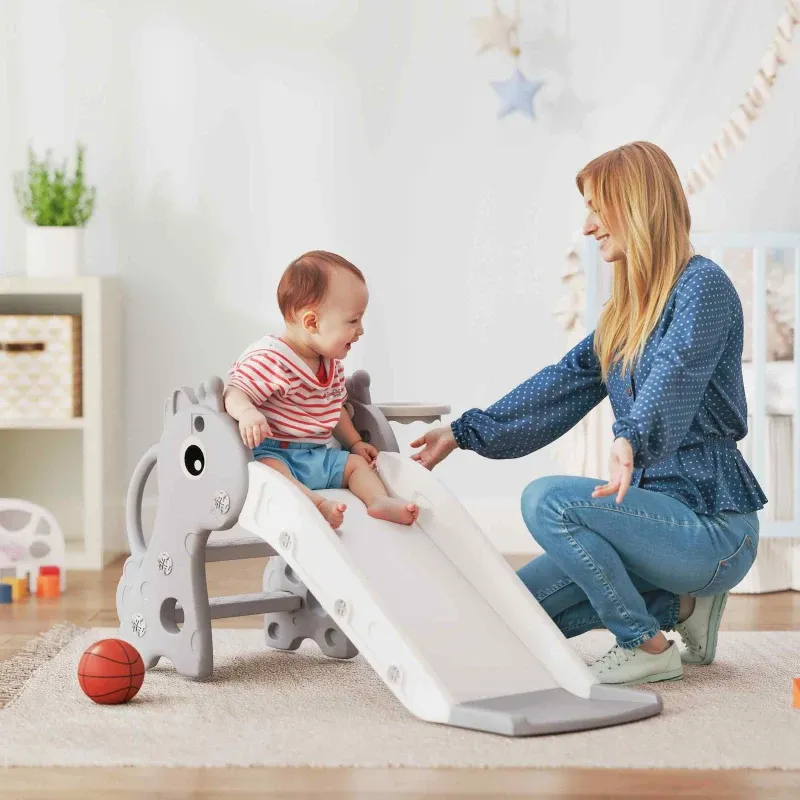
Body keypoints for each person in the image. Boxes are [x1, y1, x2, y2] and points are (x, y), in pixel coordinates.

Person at [410, 141, 767, 685]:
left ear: (637, 205)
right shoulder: (625, 313)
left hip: (713, 528)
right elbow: (561, 384)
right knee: (511, 615)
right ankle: (687, 608)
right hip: (650, 522)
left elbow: (680, 366)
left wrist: (631, 438)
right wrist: (462, 433)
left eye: (598, 209)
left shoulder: (704, 286)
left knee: (545, 501)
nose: (588, 226)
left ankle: (645, 644)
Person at [224, 250, 419, 529]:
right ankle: (316, 505)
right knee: (266, 470)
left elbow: (334, 410)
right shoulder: (269, 358)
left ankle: (378, 500)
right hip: (276, 454)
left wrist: (354, 443)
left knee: (355, 465)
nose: (361, 330)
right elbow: (234, 391)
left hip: (317, 456)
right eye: (353, 321)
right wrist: (247, 413)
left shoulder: (331, 365)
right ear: (312, 322)